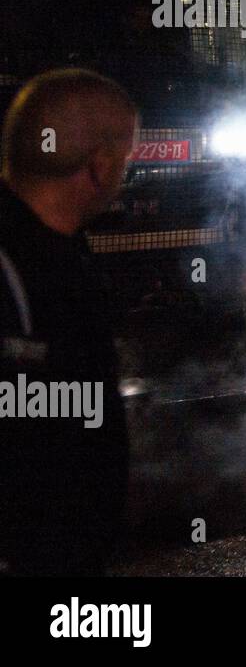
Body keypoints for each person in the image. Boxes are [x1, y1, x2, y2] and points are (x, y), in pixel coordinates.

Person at [0, 69, 136, 575]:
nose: (125, 172)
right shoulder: (19, 271)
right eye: (125, 159)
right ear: (99, 167)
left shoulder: (60, 254)